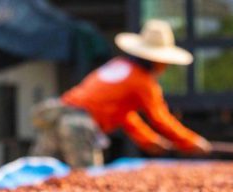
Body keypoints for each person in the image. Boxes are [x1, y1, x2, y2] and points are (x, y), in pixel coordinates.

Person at [31, 19, 212, 168]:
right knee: (84, 182)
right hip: (79, 125)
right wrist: (192, 141)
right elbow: (160, 118)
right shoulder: (142, 81)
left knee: (40, 176)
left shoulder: (120, 65)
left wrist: (148, 140)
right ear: (158, 60)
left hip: (57, 117)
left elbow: (125, 116)